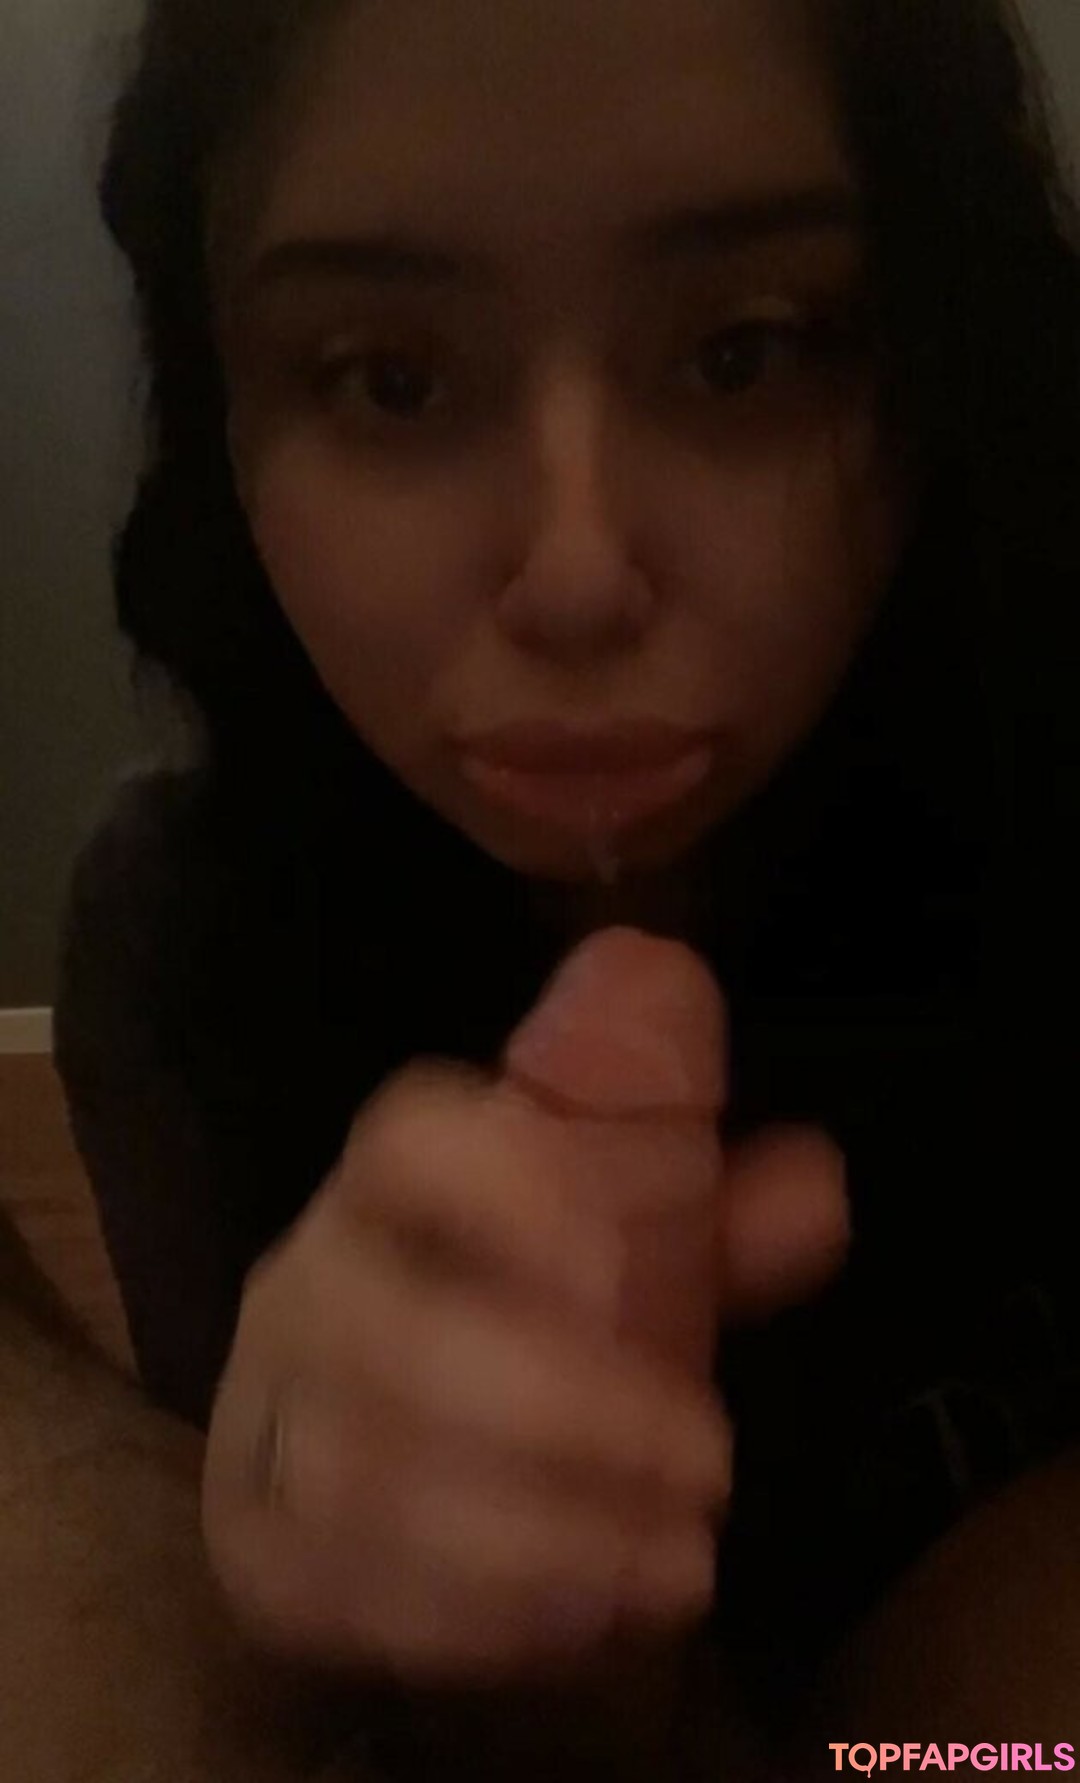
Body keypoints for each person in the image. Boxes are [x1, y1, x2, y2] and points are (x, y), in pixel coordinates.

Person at [54, 0, 1080, 1771]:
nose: (580, 574)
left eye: (746, 353)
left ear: (936, 362)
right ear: (224, 417)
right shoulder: (175, 941)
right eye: (389, 379)